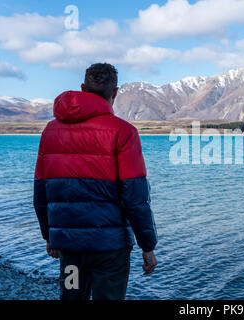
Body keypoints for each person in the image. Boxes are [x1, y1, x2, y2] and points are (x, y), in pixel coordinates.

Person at [33, 63, 158, 300]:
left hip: (70, 248)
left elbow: (40, 191)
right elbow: (135, 197)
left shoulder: (50, 131)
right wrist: (148, 246)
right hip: (110, 250)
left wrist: (50, 236)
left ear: (83, 88)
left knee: (71, 296)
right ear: (115, 93)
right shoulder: (124, 132)